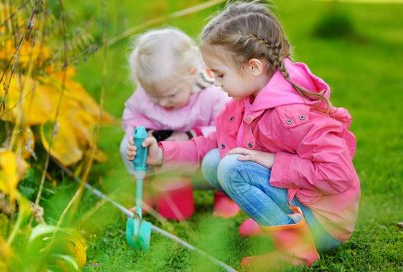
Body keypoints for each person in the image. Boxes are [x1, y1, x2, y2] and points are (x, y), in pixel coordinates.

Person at [127, 1, 360, 270]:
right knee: (215, 161)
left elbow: (337, 174)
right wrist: (162, 153)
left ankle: (297, 250)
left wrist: (270, 159)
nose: (215, 82)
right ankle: (278, 219)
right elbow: (216, 142)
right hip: (303, 201)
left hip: (326, 224)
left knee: (233, 169)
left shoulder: (292, 114)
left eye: (220, 74)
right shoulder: (247, 100)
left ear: (253, 67)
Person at [120, 27, 239, 219]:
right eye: (154, 97)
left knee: (221, 157)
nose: (163, 103)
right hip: (161, 156)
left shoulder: (213, 94)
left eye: (171, 95)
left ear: (192, 73)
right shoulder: (146, 95)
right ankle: (149, 190)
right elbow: (133, 116)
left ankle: (226, 195)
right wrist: (144, 134)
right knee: (127, 146)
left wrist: (189, 136)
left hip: (201, 159)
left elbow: (226, 128)